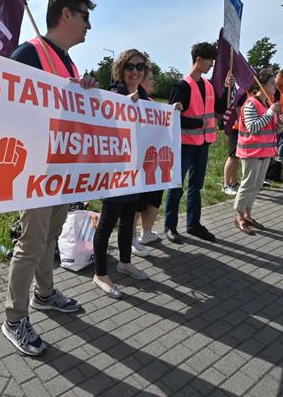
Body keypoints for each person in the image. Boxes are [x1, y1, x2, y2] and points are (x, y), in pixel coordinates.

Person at [2, 0, 98, 356]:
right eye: (85, 16)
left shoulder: (70, 64)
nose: (89, 25)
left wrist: (84, 90)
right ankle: (14, 319)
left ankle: (44, 294)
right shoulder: (29, 53)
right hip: (35, 168)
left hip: (61, 167)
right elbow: (7, 106)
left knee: (50, 237)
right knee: (30, 243)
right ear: (66, 15)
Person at [91, 51, 153, 297]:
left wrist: (172, 111)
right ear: (120, 69)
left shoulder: (146, 96)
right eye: (130, 66)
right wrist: (127, 102)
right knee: (108, 220)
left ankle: (125, 262)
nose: (135, 71)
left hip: (135, 168)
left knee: (129, 218)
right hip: (114, 169)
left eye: (140, 67)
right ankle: (100, 274)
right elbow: (105, 121)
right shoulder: (113, 94)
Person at [164, 41, 227, 243]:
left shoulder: (208, 85)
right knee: (176, 187)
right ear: (198, 60)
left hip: (204, 144)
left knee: (196, 187)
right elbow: (171, 117)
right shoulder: (182, 85)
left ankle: (193, 224)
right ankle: (170, 227)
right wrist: (198, 122)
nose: (211, 66)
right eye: (209, 61)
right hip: (184, 144)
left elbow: (220, 107)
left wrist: (227, 88)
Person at [233, 69, 283, 234]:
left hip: (265, 152)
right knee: (247, 184)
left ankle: (248, 214)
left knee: (256, 185)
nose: (274, 87)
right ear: (261, 86)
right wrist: (270, 114)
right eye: (271, 84)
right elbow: (253, 127)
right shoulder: (251, 104)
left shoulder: (268, 104)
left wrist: (280, 125)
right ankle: (239, 217)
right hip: (251, 152)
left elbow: (273, 130)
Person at [136, 65, 164, 243]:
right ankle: (130, 238)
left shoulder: (154, 103)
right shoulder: (133, 101)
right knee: (137, 204)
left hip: (156, 160)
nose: (154, 81)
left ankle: (146, 232)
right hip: (140, 162)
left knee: (154, 199)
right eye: (151, 79)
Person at [221, 86, 246, 195]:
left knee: (236, 157)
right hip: (235, 128)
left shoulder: (245, 92)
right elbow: (237, 110)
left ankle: (234, 182)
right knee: (232, 157)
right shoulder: (240, 93)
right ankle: (226, 185)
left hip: (240, 128)